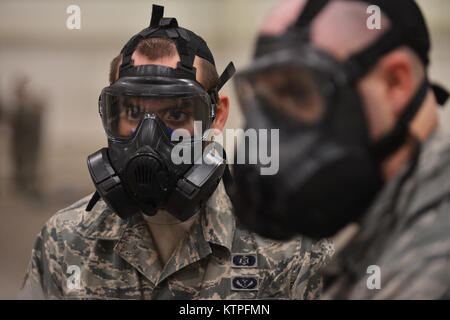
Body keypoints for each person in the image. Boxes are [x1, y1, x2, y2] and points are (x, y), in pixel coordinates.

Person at [19, 5, 333, 300]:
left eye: (177, 114)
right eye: (131, 111)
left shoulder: (291, 250)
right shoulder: (64, 243)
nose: (149, 138)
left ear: (217, 116)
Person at [231, 0, 450, 299]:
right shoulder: (381, 233)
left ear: (395, 83)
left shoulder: (431, 264)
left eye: (298, 92)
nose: (273, 134)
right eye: (269, 101)